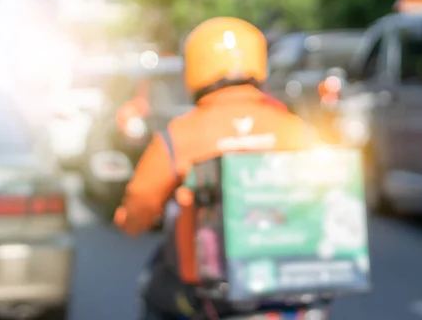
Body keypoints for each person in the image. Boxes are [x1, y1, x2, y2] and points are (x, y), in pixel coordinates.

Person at [114, 17, 318, 319]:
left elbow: (141, 203)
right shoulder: (295, 129)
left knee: (153, 289)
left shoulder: (180, 135)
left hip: (208, 294)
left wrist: (127, 220)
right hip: (289, 284)